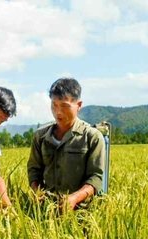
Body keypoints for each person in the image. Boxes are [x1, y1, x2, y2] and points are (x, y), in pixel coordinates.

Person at [27, 78, 105, 210]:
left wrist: (74, 198)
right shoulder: (40, 137)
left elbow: (95, 178)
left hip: (81, 212)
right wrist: (37, 192)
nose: (58, 112)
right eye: (54, 105)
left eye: (64, 106)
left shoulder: (92, 137)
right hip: (47, 209)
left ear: (79, 105)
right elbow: (34, 170)